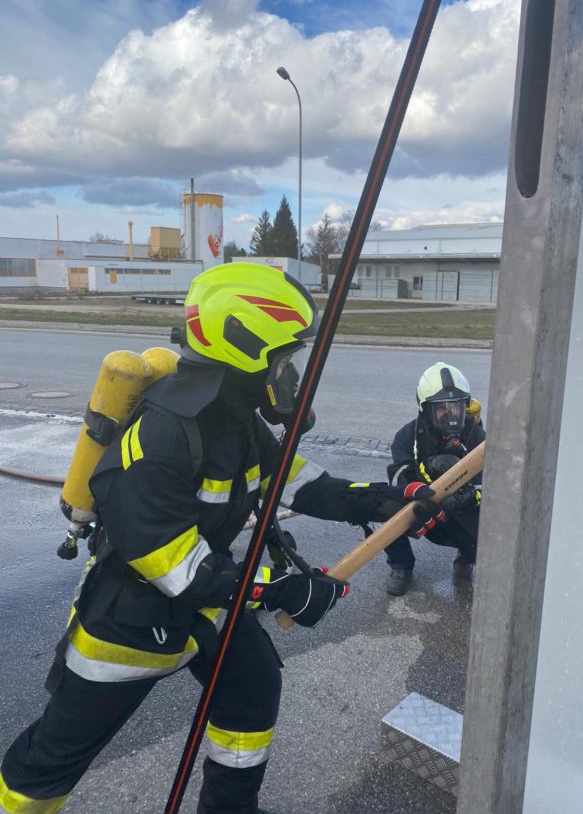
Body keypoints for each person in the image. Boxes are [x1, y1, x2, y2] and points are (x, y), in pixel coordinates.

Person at [0, 263, 441, 814]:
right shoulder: (157, 439)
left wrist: (386, 501)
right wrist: (282, 590)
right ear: (243, 349)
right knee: (48, 763)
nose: (290, 376)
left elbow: (302, 484)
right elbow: (179, 570)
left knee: (253, 690)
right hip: (128, 629)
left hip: (208, 608)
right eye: (283, 361)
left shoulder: (233, 420)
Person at [384, 361, 485, 596]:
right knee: (383, 505)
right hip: (424, 514)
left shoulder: (475, 434)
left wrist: (471, 496)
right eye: (441, 408)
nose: (451, 415)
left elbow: (497, 483)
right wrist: (428, 473)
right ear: (426, 409)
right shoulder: (407, 437)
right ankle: (401, 565)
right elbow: (398, 481)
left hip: (460, 513)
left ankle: (467, 556)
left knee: (492, 525)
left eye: (456, 407)